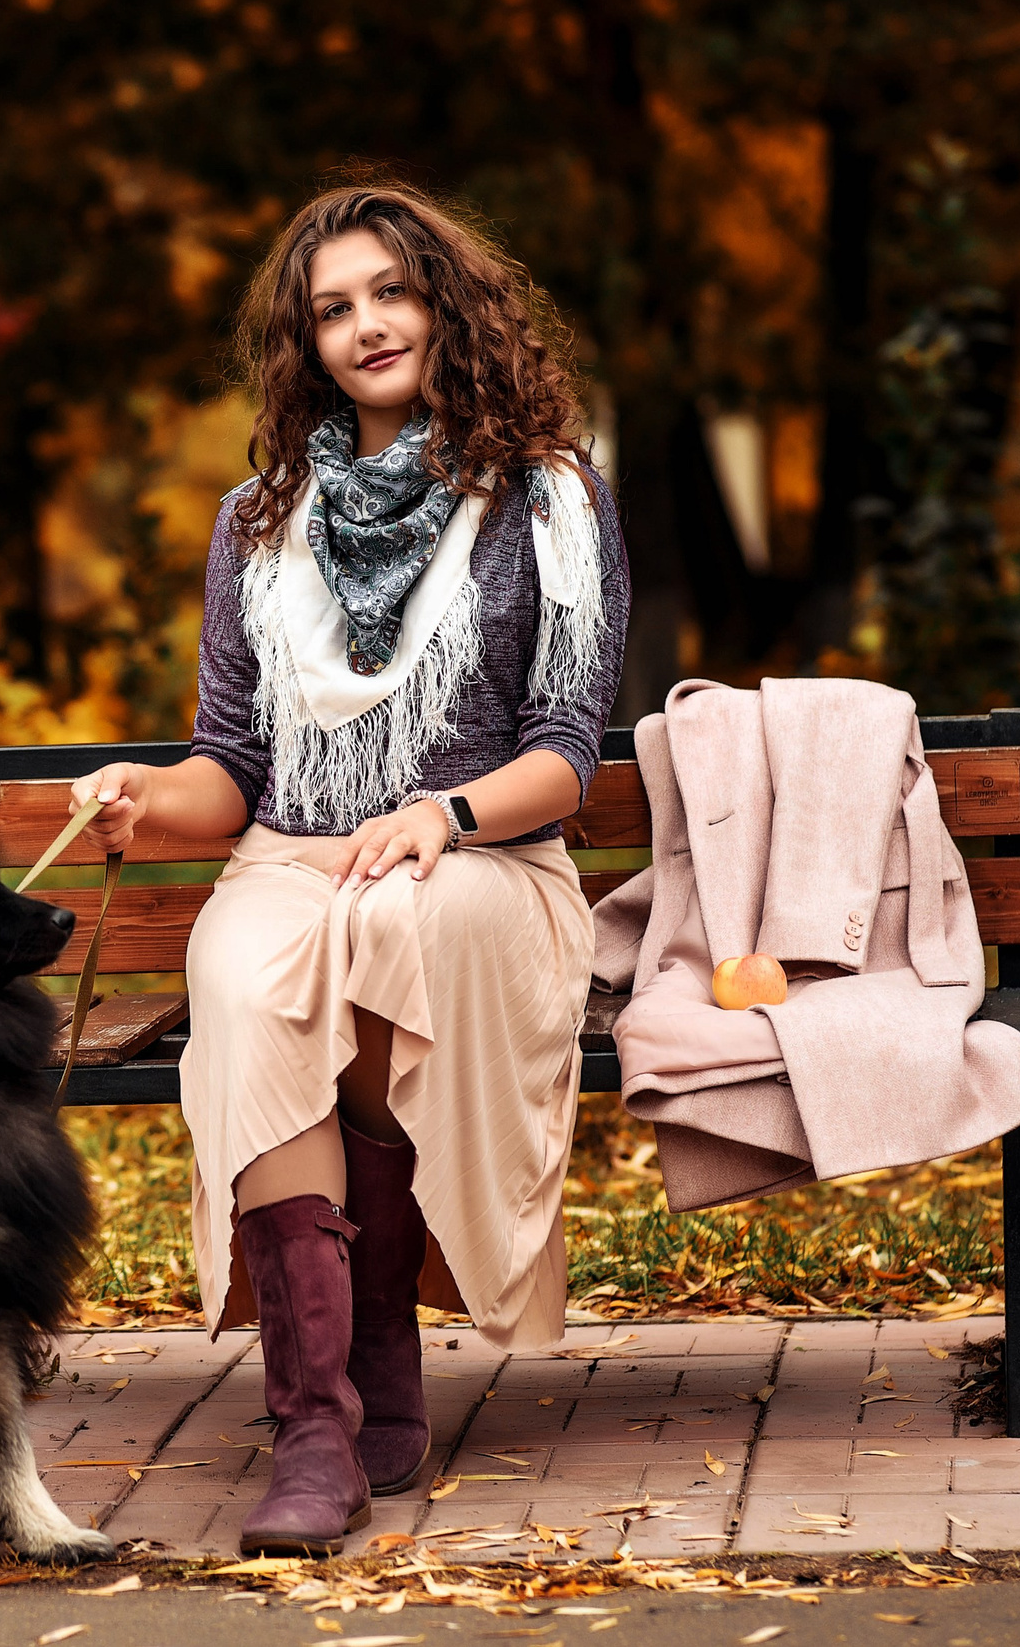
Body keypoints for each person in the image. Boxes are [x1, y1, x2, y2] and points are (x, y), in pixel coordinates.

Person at [69, 183, 630, 1555]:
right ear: (303, 345)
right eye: (333, 308)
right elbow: (232, 767)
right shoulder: (256, 522)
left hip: (484, 867)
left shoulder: (546, 499)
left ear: (446, 304)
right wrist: (152, 797)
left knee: (396, 932)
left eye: (392, 292)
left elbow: (568, 750)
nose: (366, 325)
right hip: (292, 862)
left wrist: (444, 815)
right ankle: (318, 1422)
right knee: (249, 984)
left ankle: (380, 1334)